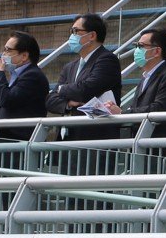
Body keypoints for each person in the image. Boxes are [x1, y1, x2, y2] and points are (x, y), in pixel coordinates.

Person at [47, 13, 124, 173]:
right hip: (69, 139)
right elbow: (50, 100)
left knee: (93, 195)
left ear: (92, 35)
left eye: (76, 31)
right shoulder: (70, 66)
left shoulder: (106, 60)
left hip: (95, 141)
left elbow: (85, 90)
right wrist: (68, 103)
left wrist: (61, 89)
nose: (72, 36)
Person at [105, 28, 166, 173]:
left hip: (158, 152)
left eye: (141, 46)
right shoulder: (145, 77)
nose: (137, 50)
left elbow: (160, 108)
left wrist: (123, 113)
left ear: (157, 51)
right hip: (141, 149)